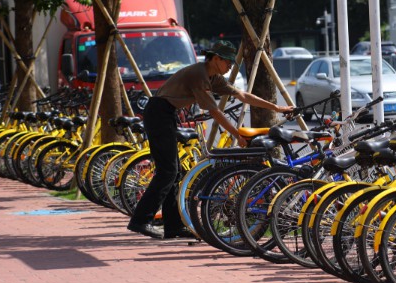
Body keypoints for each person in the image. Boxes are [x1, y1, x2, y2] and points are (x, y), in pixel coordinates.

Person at [126, 41, 294, 240]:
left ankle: (173, 226)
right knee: (168, 171)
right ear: (216, 59)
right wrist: (236, 134)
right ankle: (140, 220)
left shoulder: (214, 77)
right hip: (159, 113)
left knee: (174, 171)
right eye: (228, 62)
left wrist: (277, 108)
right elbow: (214, 111)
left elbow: (243, 95)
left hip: (166, 113)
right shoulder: (200, 75)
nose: (231, 66)